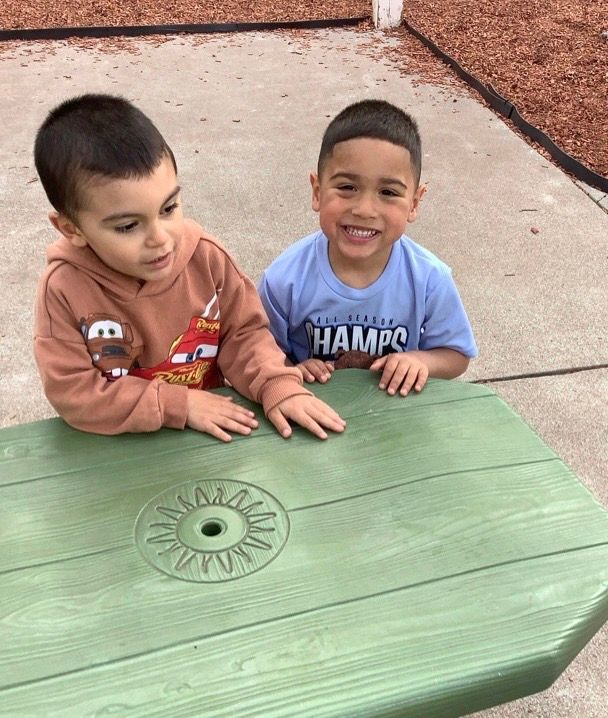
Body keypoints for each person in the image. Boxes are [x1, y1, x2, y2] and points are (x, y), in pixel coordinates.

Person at [33, 93, 346, 442]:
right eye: (127, 226)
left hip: (211, 434)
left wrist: (278, 385)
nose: (160, 238)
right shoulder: (63, 290)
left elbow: (243, 334)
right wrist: (179, 405)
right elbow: (75, 394)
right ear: (71, 229)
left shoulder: (206, 259)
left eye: (168, 208)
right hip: (117, 448)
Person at [258, 99, 477, 396]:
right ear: (317, 191)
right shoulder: (284, 280)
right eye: (347, 187)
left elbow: (456, 354)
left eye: (388, 192)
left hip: (393, 418)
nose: (364, 209)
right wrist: (290, 371)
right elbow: (259, 353)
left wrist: (420, 361)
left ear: (414, 203)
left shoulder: (429, 279)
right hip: (311, 411)